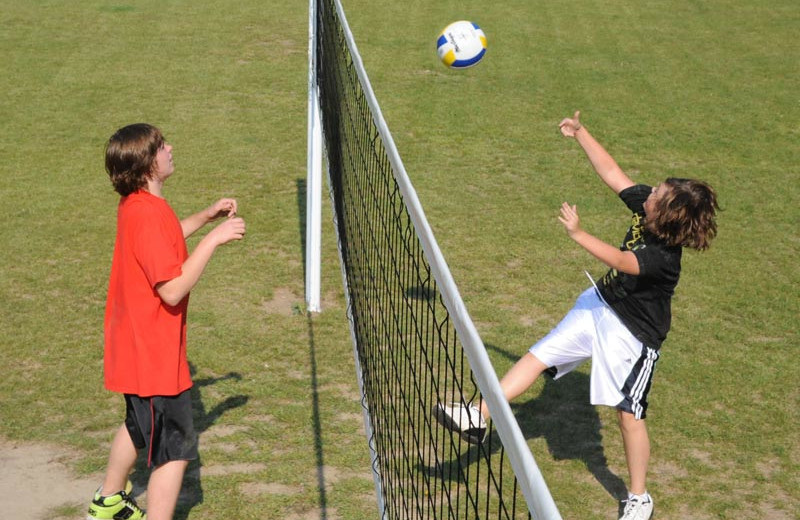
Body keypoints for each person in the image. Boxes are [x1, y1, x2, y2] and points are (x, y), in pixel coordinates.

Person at [434, 111, 719, 520]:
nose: (649, 191)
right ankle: (478, 416)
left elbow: (623, 260)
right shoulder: (650, 209)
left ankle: (639, 497)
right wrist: (580, 133)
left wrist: (578, 234)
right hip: (599, 303)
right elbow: (613, 173)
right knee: (539, 354)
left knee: (628, 415)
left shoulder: (662, 259)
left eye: (656, 192)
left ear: (666, 214)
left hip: (633, 336)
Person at [87, 123, 246, 520]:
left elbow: (166, 238)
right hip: (153, 354)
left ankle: (108, 500)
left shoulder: (139, 206)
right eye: (161, 146)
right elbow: (171, 290)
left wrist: (206, 217)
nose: (170, 148)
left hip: (133, 345)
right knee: (174, 449)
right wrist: (215, 240)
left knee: (140, 426)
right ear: (147, 165)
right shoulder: (146, 216)